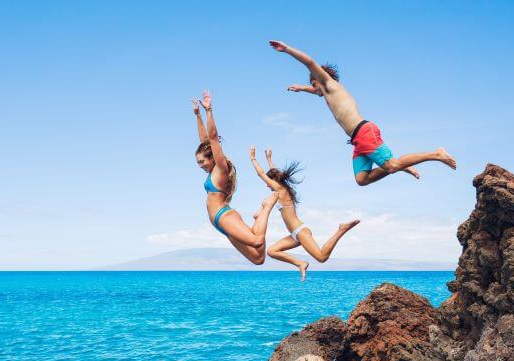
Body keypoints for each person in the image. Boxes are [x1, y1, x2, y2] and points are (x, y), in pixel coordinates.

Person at [269, 41, 456, 187]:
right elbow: (315, 91)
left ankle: (436, 154)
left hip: (365, 132)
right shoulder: (326, 91)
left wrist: (287, 49)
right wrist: (302, 88)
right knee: (362, 179)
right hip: (357, 140)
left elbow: (309, 62)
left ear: (318, 79)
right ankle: (400, 166)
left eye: (314, 84)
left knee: (392, 166)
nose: (315, 89)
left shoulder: (329, 84)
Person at [250, 146, 359, 282]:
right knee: (272, 251)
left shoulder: (280, 189)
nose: (267, 185)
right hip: (294, 235)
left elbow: (261, 174)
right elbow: (275, 174)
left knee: (321, 257)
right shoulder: (279, 189)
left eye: (269, 182)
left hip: (300, 232)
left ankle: (341, 229)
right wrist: (269, 159)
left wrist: (253, 159)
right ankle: (300, 264)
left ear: (274, 181)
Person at [194, 90, 277, 265]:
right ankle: (258, 219)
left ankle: (266, 207)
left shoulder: (221, 169)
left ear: (212, 158)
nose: (200, 166)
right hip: (221, 224)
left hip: (224, 217)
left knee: (257, 241)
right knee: (258, 259)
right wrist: (197, 116)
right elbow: (205, 141)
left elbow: (213, 139)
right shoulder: (212, 171)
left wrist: (209, 111)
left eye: (202, 162)